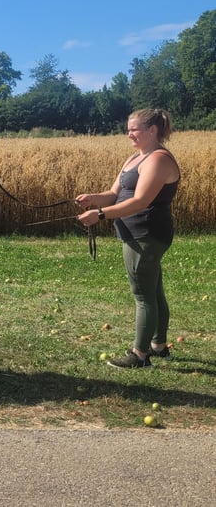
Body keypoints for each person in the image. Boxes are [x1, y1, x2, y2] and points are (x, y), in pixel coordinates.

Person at [76, 109, 180, 369]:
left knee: (143, 295)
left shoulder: (158, 160)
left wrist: (100, 215)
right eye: (128, 129)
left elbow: (141, 201)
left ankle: (140, 356)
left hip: (147, 234)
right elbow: (114, 194)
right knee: (154, 291)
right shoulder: (135, 158)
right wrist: (93, 199)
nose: (129, 133)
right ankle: (158, 346)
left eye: (134, 129)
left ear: (152, 130)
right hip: (135, 234)